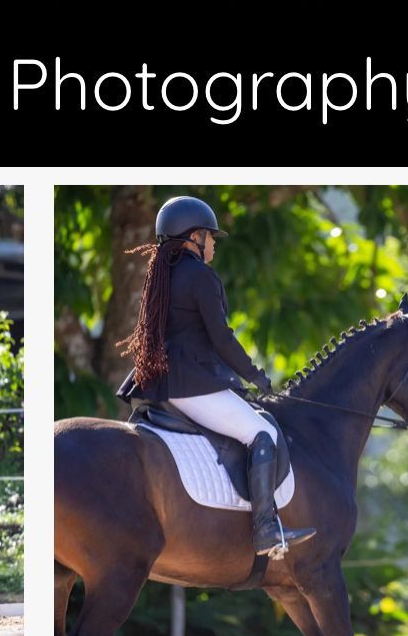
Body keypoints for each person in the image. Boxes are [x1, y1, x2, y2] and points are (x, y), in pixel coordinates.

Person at [117, 195, 314, 557]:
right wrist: (255, 376)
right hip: (192, 385)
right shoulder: (199, 277)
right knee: (262, 432)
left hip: (162, 384)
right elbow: (221, 339)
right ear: (195, 237)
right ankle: (266, 528)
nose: (213, 246)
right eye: (211, 237)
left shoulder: (163, 275)